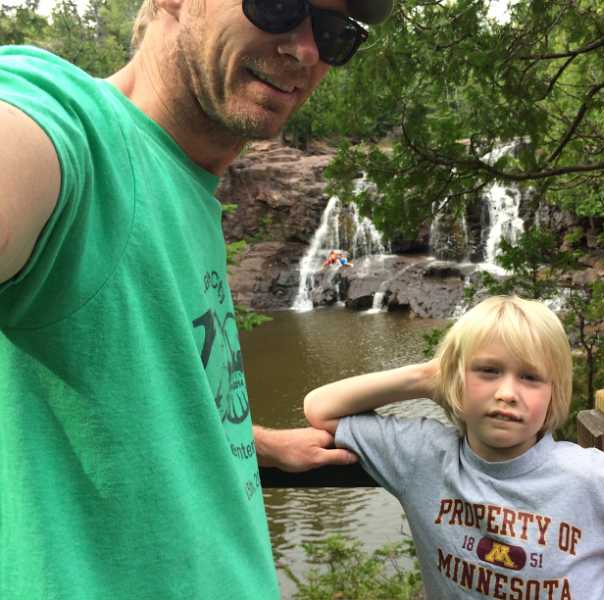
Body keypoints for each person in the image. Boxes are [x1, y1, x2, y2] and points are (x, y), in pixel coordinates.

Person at [0, 0, 392, 598]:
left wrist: (247, 442)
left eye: (335, 32)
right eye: (278, 5)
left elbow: (136, 399)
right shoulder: (72, 129)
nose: (306, 50)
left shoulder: (182, 184)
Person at [305, 295, 604, 600]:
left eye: (530, 378)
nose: (507, 393)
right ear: (455, 379)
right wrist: (429, 376)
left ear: (554, 394)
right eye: (488, 371)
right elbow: (320, 408)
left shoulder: (590, 478)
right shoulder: (421, 457)